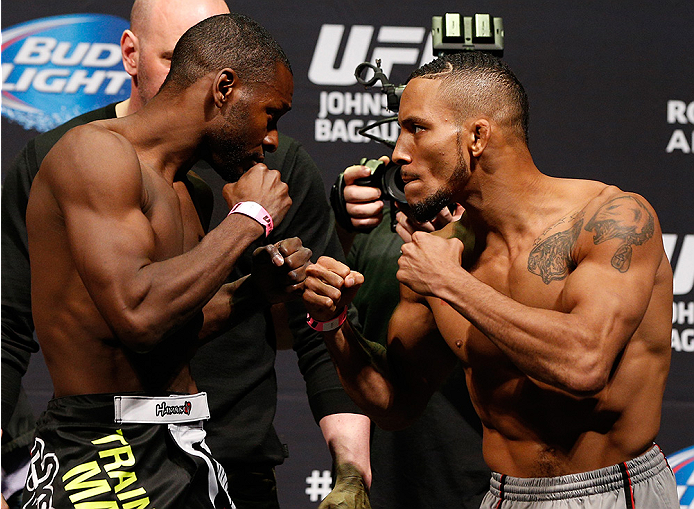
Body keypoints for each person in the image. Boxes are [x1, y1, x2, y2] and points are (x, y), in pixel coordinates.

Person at [1, 2, 372, 508]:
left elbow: (176, 328)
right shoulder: (92, 155)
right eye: (269, 114)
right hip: (102, 452)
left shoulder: (189, 191)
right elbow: (138, 315)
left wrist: (253, 292)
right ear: (223, 89)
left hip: (183, 444)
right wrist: (249, 220)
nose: (271, 140)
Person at [303, 51, 679, 508]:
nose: (399, 152)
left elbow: (584, 364)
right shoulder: (443, 254)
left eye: (416, 129)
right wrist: (335, 325)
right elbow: (395, 403)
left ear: (477, 136)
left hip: (614, 491)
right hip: (504, 495)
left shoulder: (612, 219)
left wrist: (452, 285)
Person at [334, 164, 489, 508]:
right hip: (385, 461)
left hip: (473, 466)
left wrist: (453, 244)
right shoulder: (367, 235)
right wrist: (340, 226)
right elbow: (307, 325)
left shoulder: (489, 234)